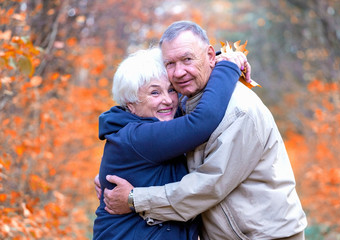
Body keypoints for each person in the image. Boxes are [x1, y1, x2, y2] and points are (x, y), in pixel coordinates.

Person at [96, 21, 308, 239]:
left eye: (187, 59)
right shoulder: (186, 102)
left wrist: (134, 199)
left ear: (209, 55)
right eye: (170, 63)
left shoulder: (237, 110)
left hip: (260, 236)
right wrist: (116, 173)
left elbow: (209, 186)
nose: (179, 72)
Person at [92, 46, 246, 239]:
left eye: (171, 90)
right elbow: (203, 121)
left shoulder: (146, 124)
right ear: (130, 104)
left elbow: (188, 85)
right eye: (154, 93)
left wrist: (219, 57)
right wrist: (228, 67)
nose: (168, 100)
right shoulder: (140, 137)